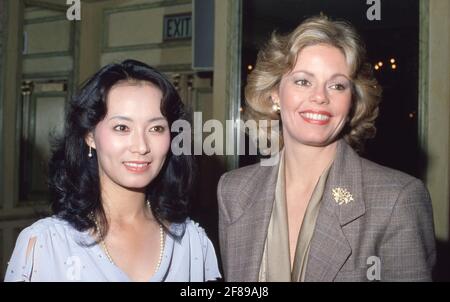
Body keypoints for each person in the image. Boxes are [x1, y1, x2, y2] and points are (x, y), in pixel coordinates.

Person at [217, 16, 436, 281]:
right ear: (275, 93)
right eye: (303, 81)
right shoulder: (234, 190)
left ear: (352, 102)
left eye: (337, 85)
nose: (320, 96)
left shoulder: (397, 200)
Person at [5, 59, 221, 282]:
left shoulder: (192, 242)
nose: (141, 146)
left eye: (156, 128)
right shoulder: (45, 245)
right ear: (90, 136)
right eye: (122, 128)